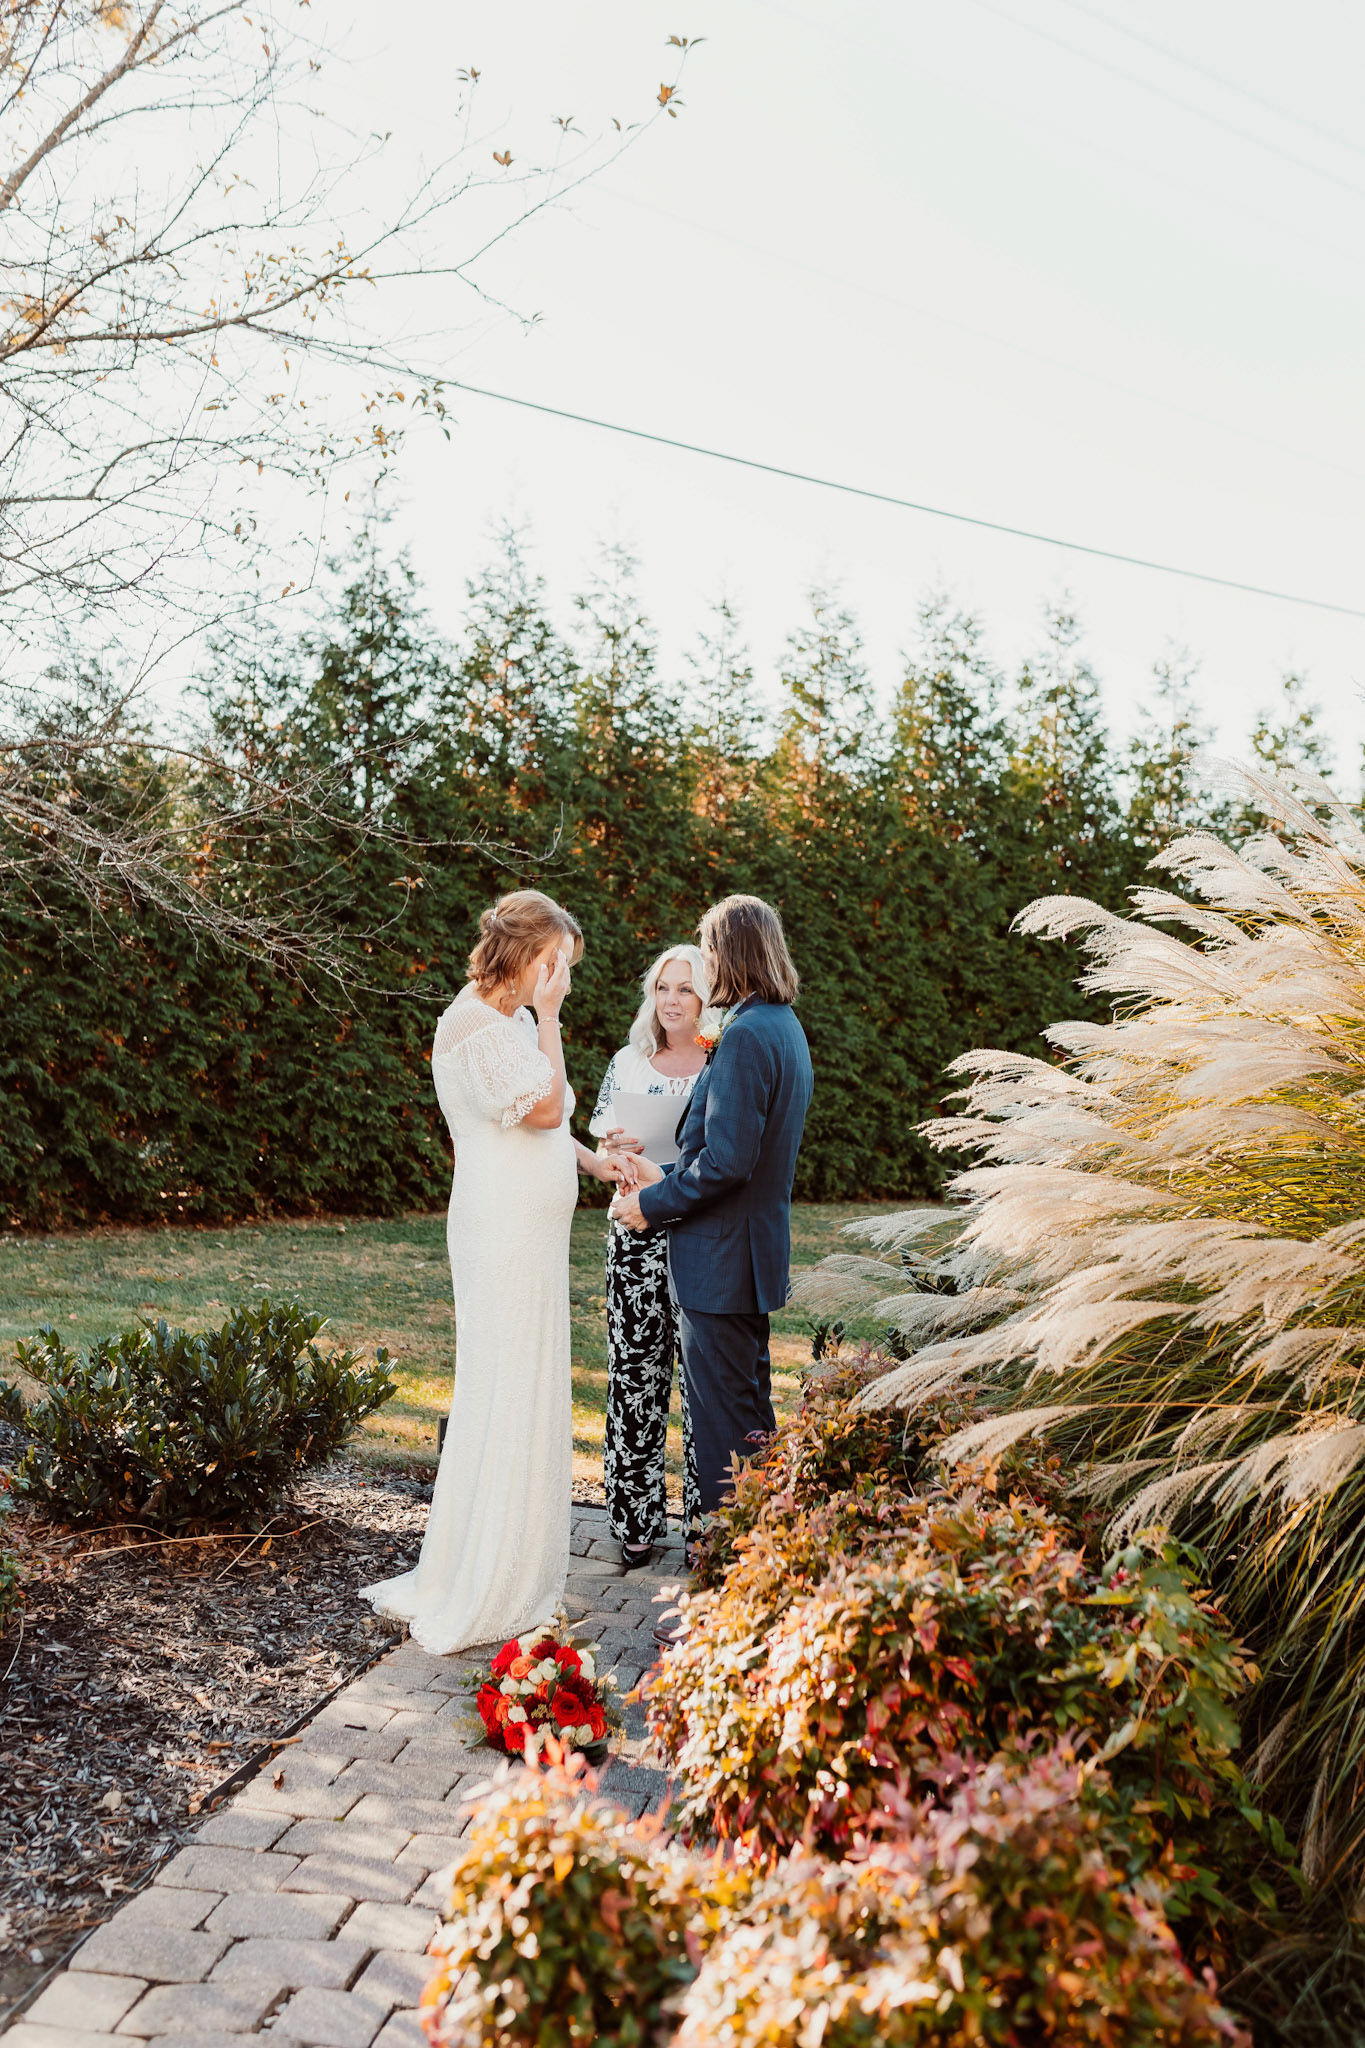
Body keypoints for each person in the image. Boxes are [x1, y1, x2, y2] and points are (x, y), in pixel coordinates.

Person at [362, 889, 621, 1653]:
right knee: (506, 1385)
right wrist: (551, 1020)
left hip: (528, 1234)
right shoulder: (473, 1023)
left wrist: (594, 1163)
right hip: (501, 1231)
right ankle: (489, 1580)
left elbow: (543, 1125)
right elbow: (541, 1108)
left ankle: (512, 1564)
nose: (562, 978)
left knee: (526, 1382)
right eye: (556, 963)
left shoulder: (504, 1023)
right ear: (525, 955)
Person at [610, 894, 813, 1525]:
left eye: (710, 949)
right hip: (746, 1258)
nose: (707, 962)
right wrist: (665, 1174)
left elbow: (727, 1164)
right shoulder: (782, 1025)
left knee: (725, 1431)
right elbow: (737, 1154)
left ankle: (727, 1568)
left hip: (720, 1264)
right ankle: (765, 1553)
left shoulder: (746, 1035)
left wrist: (651, 1203)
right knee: (749, 1420)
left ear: (731, 952)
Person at [590, 946, 708, 1568]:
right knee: (635, 1374)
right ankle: (633, 1521)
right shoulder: (627, 1061)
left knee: (701, 1381)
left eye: (685, 989)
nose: (671, 1000)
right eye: (663, 987)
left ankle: (705, 1525)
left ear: (707, 996)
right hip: (634, 1233)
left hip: (699, 1233)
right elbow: (602, 1145)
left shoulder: (722, 1062)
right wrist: (616, 1148)